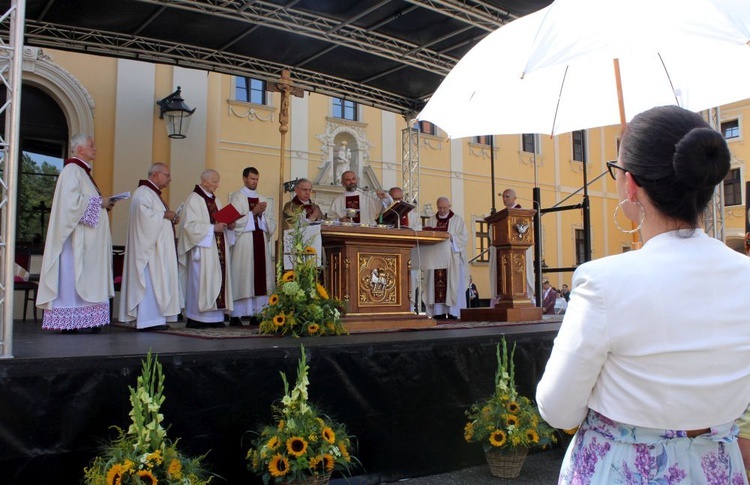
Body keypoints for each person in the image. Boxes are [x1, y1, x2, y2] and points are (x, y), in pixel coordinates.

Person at [536, 105, 750, 484]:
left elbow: (558, 409)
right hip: (718, 468)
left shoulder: (603, 282)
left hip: (625, 470)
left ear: (629, 184)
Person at [36, 134, 115, 334]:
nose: (95, 148)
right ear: (80, 149)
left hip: (86, 240)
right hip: (74, 242)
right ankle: (71, 321)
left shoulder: (82, 172)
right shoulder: (71, 171)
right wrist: (99, 203)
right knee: (73, 277)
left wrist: (102, 204)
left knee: (85, 277)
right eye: (91, 145)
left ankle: (86, 319)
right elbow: (70, 203)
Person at [118, 163, 181, 331]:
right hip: (149, 252)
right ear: (156, 175)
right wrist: (165, 215)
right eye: (167, 175)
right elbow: (143, 217)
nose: (170, 179)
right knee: (150, 282)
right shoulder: (144, 193)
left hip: (157, 249)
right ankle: (148, 320)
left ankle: (156, 319)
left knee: (158, 282)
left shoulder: (152, 194)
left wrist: (170, 217)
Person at [177, 169, 235, 329]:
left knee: (217, 280)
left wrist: (230, 225)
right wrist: (211, 229)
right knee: (202, 281)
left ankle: (215, 317)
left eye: (218, 181)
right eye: (215, 181)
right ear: (204, 181)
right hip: (202, 250)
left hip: (217, 247)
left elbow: (222, 221)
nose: (218, 185)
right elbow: (190, 226)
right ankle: (197, 318)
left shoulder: (216, 200)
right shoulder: (194, 199)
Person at [228, 167, 276, 326]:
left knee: (259, 277)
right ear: (244, 179)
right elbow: (232, 222)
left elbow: (272, 223)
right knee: (243, 276)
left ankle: (258, 313)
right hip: (244, 243)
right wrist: (252, 213)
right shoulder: (237, 197)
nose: (255, 182)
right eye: (252, 179)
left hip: (260, 241)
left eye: (257, 179)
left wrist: (261, 216)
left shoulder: (263, 198)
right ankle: (236, 315)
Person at [424, 196, 468, 320]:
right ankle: (438, 312)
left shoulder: (458, 220)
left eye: (444, 207)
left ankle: (454, 311)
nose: (442, 210)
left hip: (452, 259)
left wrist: (451, 237)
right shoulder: (432, 220)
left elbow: (464, 238)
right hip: (435, 259)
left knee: (453, 284)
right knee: (435, 285)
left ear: (449, 206)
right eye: (439, 208)